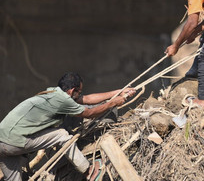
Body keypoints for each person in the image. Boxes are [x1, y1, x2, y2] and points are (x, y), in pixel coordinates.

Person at [0, 72, 136, 181]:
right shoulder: (62, 100)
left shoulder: (51, 94)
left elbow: (87, 99)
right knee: (62, 135)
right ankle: (89, 171)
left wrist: (118, 92)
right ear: (72, 91)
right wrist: (112, 104)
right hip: (14, 141)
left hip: (2, 143)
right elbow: (89, 113)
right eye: (79, 92)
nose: (80, 95)